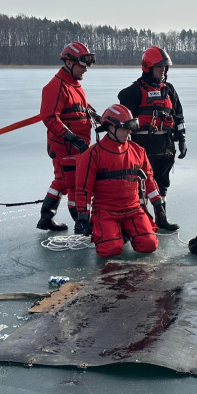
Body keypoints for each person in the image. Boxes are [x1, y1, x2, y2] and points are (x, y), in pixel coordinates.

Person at [73, 104, 164, 258]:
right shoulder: (92, 155)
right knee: (110, 250)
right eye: (125, 128)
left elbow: (148, 180)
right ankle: (114, 233)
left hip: (133, 209)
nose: (129, 132)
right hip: (106, 211)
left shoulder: (138, 151)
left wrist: (158, 204)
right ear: (110, 127)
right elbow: (83, 189)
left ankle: (123, 230)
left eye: (130, 128)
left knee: (149, 245)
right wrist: (83, 217)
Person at [117, 45, 186, 231]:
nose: (163, 70)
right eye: (159, 66)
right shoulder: (134, 91)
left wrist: (182, 139)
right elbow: (124, 120)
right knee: (140, 186)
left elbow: (178, 116)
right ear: (148, 67)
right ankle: (140, 221)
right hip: (143, 148)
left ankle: (161, 218)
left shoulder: (169, 90)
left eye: (165, 66)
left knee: (162, 185)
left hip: (165, 147)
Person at [37, 42, 98, 232]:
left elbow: (82, 107)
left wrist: (98, 117)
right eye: (82, 65)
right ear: (69, 63)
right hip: (64, 146)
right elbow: (49, 117)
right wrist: (72, 138)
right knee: (71, 183)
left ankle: (47, 217)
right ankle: (80, 221)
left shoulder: (74, 84)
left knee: (64, 181)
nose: (86, 69)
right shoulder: (56, 86)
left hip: (77, 145)